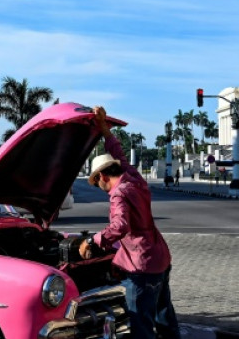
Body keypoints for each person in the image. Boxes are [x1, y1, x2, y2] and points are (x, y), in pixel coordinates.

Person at [80, 106, 180, 339]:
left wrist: (91, 241)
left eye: (98, 183)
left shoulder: (118, 193)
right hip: (160, 257)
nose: (101, 188)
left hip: (141, 265)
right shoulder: (134, 178)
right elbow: (119, 154)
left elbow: (120, 226)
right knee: (165, 317)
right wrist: (104, 128)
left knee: (141, 323)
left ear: (103, 176)